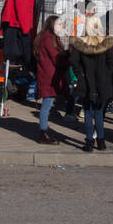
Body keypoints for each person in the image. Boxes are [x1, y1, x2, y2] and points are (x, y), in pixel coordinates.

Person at [68, 18, 113, 151]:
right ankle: (101, 141)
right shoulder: (105, 43)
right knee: (98, 113)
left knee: (89, 113)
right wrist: (106, 74)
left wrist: (80, 74)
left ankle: (90, 141)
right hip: (101, 82)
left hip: (86, 81)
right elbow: (112, 61)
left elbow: (74, 61)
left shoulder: (80, 43)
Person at [33, 15, 66, 145]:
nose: (61, 26)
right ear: (52, 25)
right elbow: (55, 57)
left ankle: (43, 131)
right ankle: (43, 132)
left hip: (50, 74)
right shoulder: (48, 38)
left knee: (48, 104)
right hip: (49, 76)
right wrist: (68, 56)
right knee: (46, 105)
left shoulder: (50, 37)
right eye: (59, 24)